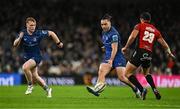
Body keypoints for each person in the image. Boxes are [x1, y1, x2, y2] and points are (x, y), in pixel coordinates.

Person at [122, 12, 175, 100]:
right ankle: (154, 89)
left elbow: (132, 37)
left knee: (127, 73)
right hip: (149, 53)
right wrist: (168, 51)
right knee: (146, 73)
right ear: (149, 20)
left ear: (141, 19)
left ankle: (142, 90)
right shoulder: (156, 30)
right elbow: (164, 43)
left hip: (139, 51)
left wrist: (126, 47)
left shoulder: (139, 26)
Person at [86, 14, 140, 97]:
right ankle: (97, 89)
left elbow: (114, 49)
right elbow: (108, 44)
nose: (103, 26)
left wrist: (111, 60)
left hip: (118, 57)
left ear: (109, 23)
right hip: (108, 56)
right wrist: (105, 47)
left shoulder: (114, 34)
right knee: (101, 71)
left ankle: (135, 88)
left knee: (122, 78)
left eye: (105, 24)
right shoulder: (103, 32)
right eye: (102, 24)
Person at [13, 17, 63, 98]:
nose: (33, 27)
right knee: (35, 76)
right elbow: (15, 45)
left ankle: (30, 85)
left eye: (34, 25)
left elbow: (51, 33)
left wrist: (58, 43)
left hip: (36, 56)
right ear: (27, 25)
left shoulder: (38, 33)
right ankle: (48, 89)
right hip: (27, 57)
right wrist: (19, 38)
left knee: (25, 67)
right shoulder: (23, 33)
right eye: (31, 25)